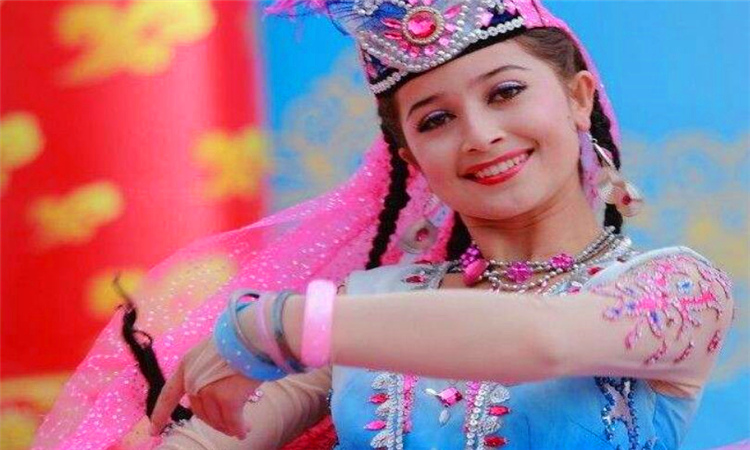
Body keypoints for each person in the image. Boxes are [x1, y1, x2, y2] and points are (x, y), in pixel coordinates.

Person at [32, 1, 734, 450]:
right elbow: (224, 436)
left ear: (579, 98)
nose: (480, 135)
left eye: (506, 92)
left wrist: (274, 324)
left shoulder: (679, 290)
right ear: (410, 159)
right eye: (436, 119)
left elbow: (543, 341)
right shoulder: (372, 304)